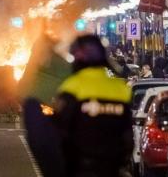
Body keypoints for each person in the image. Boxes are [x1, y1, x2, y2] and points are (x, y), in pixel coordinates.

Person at [53, 35, 133, 177]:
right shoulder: (121, 89)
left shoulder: (71, 86)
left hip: (80, 169)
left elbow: (60, 133)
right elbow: (127, 136)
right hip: (112, 169)